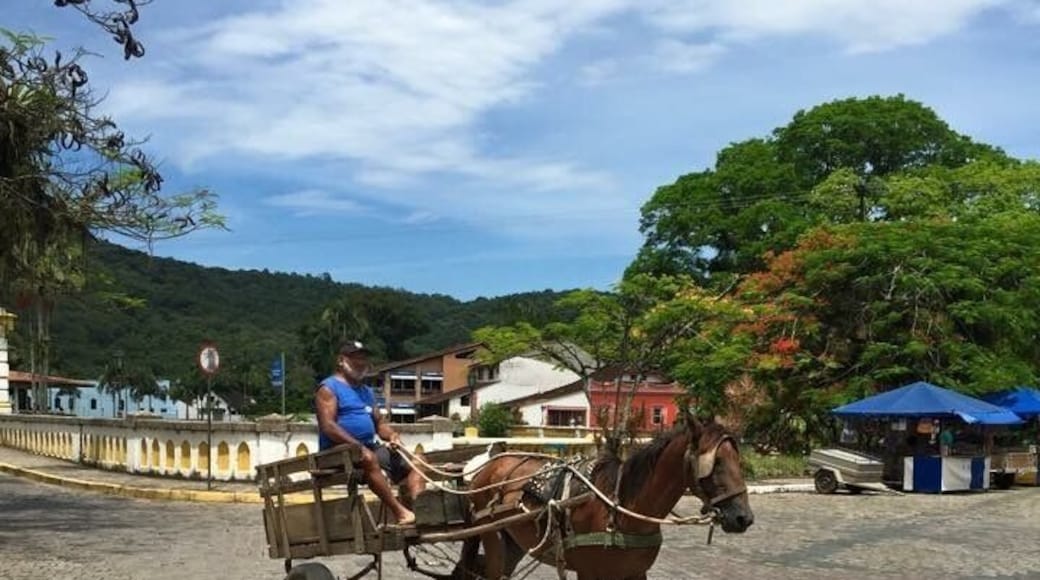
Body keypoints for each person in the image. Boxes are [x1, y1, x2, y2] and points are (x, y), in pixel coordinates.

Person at [315, 340, 423, 525]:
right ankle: (400, 513)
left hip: (367, 447)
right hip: (336, 451)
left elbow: (379, 424)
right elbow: (329, 426)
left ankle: (420, 509)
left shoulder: (366, 392)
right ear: (341, 360)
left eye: (364, 358)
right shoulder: (328, 388)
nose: (362, 362)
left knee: (417, 459)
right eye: (356, 358)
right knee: (368, 457)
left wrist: (392, 436)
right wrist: (357, 446)